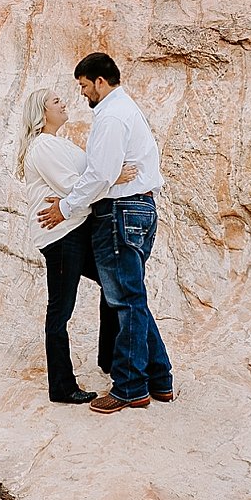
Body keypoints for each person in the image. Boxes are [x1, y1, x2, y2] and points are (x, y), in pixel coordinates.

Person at [37, 51, 173, 413]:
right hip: (138, 209)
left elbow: (98, 175)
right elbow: (104, 173)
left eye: (84, 86)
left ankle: (130, 388)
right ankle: (160, 379)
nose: (82, 94)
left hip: (119, 213)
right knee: (133, 299)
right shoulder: (126, 110)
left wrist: (65, 207)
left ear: (100, 81)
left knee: (125, 303)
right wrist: (109, 176)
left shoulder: (112, 116)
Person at [20, 84, 118, 405]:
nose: (62, 103)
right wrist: (104, 184)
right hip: (60, 235)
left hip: (75, 229)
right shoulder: (42, 147)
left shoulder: (61, 145)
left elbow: (89, 180)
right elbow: (77, 187)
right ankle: (61, 387)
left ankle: (108, 358)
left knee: (112, 282)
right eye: (55, 100)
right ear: (41, 113)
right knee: (60, 311)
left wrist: (86, 191)